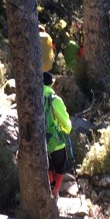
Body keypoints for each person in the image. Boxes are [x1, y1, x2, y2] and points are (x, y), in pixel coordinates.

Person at [43, 71, 71, 199]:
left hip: (40, 141)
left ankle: (48, 187)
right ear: (51, 84)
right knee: (59, 168)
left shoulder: (33, 97)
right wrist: (66, 129)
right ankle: (54, 194)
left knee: (47, 165)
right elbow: (67, 124)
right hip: (55, 142)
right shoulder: (55, 100)